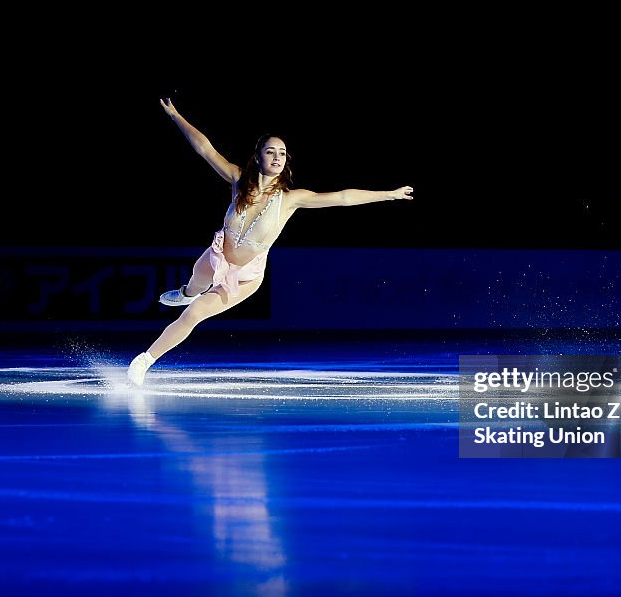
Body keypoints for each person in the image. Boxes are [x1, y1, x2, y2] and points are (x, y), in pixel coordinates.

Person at [127, 98, 414, 386]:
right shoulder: (239, 180)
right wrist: (176, 115)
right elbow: (205, 149)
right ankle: (187, 292)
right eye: (271, 151)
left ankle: (144, 360)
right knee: (196, 285)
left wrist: (389, 194)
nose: (277, 157)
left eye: (283, 153)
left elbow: (342, 197)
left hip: (246, 276)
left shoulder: (290, 199)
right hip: (218, 255)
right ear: (258, 156)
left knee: (194, 314)